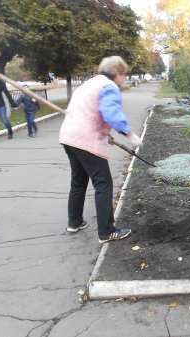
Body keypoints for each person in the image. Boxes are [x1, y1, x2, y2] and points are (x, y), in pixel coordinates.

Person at [59, 56, 142, 244]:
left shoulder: (90, 84)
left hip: (69, 137)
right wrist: (129, 134)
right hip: (86, 139)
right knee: (103, 184)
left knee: (78, 181)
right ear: (117, 74)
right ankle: (106, 232)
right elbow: (111, 113)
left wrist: (105, 132)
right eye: (124, 75)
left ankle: (75, 222)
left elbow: (91, 112)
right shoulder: (109, 87)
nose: (125, 79)